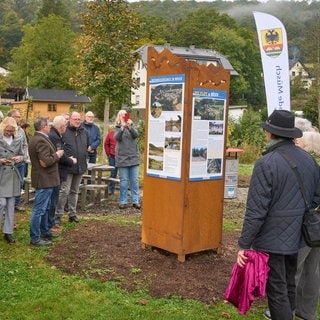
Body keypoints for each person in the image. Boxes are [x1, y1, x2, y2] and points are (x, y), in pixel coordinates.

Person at [236, 110, 320, 320]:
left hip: (273, 238)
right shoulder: (308, 159)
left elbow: (256, 210)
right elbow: (316, 196)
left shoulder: (265, 163)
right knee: (289, 281)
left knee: (277, 289)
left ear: (270, 134)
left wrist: (244, 245)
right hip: (298, 234)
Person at [28, 117, 64, 246]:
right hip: (44, 180)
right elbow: (45, 162)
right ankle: (35, 238)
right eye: (48, 125)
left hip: (47, 180)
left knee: (45, 207)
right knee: (39, 209)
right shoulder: (40, 141)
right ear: (43, 127)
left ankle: (44, 232)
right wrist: (58, 154)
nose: (50, 127)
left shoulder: (38, 138)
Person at [55, 112, 89, 225]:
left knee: (75, 191)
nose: (77, 121)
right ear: (70, 120)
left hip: (80, 166)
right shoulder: (65, 132)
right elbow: (59, 148)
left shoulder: (84, 132)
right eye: (75, 119)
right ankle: (58, 215)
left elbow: (86, 146)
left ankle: (72, 214)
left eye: (79, 119)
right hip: (67, 167)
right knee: (64, 191)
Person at [48, 115, 77, 233]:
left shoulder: (55, 135)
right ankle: (51, 224)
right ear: (61, 127)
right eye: (65, 125)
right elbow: (59, 155)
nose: (66, 127)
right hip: (57, 171)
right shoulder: (55, 137)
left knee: (54, 197)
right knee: (54, 198)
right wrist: (71, 161)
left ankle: (50, 223)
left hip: (58, 170)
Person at [0, 117, 24, 244]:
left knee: (10, 205)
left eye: (11, 131)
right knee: (1, 203)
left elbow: (23, 154)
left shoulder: (18, 139)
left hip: (13, 174)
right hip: (1, 175)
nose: (9, 133)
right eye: (7, 131)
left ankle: (8, 232)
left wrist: (19, 158)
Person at [114, 110, 141, 209]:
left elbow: (136, 135)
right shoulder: (117, 127)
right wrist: (122, 128)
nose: (123, 116)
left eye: (124, 115)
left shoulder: (132, 125)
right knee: (124, 181)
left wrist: (130, 127)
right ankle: (123, 201)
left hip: (134, 157)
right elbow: (117, 138)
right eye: (121, 115)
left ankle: (135, 201)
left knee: (134, 181)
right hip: (122, 158)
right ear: (119, 117)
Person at [7, 109, 29, 212]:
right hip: (7, 163)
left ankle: (16, 204)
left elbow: (25, 145)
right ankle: (5, 205)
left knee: (19, 182)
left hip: (20, 162)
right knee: (6, 183)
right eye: (17, 117)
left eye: (20, 117)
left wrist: (23, 157)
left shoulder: (21, 130)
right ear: (11, 117)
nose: (20, 119)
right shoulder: (4, 129)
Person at [104, 125, 118, 194]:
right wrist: (108, 154)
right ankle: (111, 189)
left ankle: (123, 190)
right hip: (112, 157)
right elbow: (106, 144)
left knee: (124, 175)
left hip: (122, 158)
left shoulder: (124, 134)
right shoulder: (110, 134)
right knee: (113, 173)